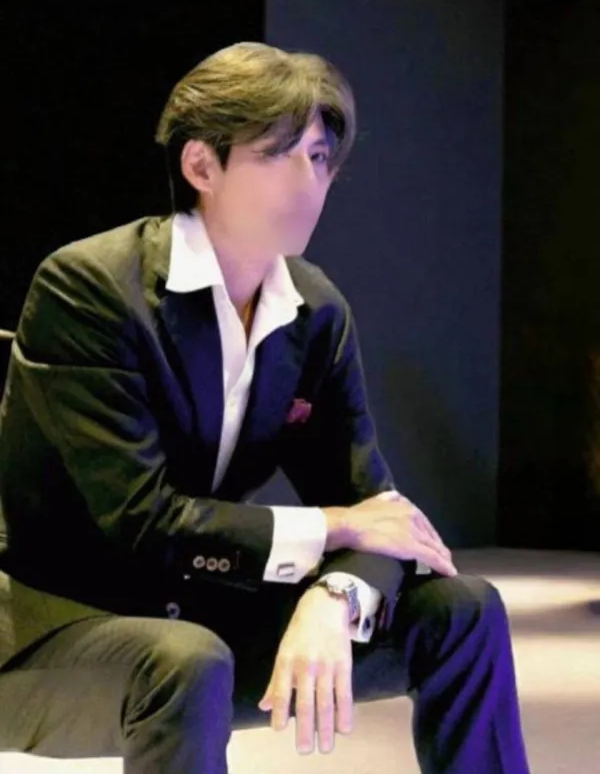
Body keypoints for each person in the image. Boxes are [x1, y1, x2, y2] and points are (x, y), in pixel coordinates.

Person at [0, 41, 531, 773]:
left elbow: (378, 513)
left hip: (199, 615)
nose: (309, 181)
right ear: (201, 166)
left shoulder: (315, 311)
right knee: (186, 660)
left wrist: (335, 594)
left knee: (463, 613)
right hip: (52, 626)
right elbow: (140, 522)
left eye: (318, 157)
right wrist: (333, 529)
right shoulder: (89, 289)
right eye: (277, 154)